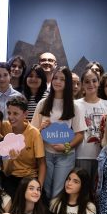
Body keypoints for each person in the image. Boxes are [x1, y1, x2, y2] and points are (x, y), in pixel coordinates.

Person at [32, 66, 85, 199]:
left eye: (62, 79)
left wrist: (66, 147)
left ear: (68, 83)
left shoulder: (74, 106)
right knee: (45, 191)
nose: (58, 81)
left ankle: (55, 213)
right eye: (55, 78)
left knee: (58, 192)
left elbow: (80, 135)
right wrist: (41, 129)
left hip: (65, 156)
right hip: (45, 155)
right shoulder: (43, 103)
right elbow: (33, 132)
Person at [0, 96, 45, 193]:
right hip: (11, 176)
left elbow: (42, 164)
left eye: (15, 113)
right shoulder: (5, 126)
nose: (11, 117)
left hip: (29, 177)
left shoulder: (34, 133)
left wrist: (39, 188)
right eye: (9, 113)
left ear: (25, 114)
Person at [76, 68, 107, 182]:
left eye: (94, 81)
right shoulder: (75, 104)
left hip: (102, 156)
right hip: (81, 155)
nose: (91, 84)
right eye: (87, 81)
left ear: (98, 83)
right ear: (82, 84)